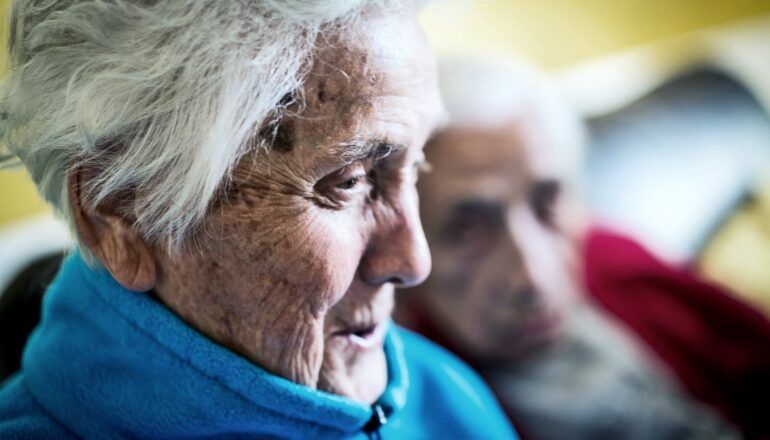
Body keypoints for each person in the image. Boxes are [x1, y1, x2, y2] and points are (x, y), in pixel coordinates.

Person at [0, 2, 517, 438]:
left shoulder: (447, 394)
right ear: (120, 213)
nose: (413, 261)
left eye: (415, 165)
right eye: (350, 180)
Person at [395, 58, 770, 439]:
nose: (533, 277)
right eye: (468, 231)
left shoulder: (612, 256)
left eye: (548, 202)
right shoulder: (407, 396)